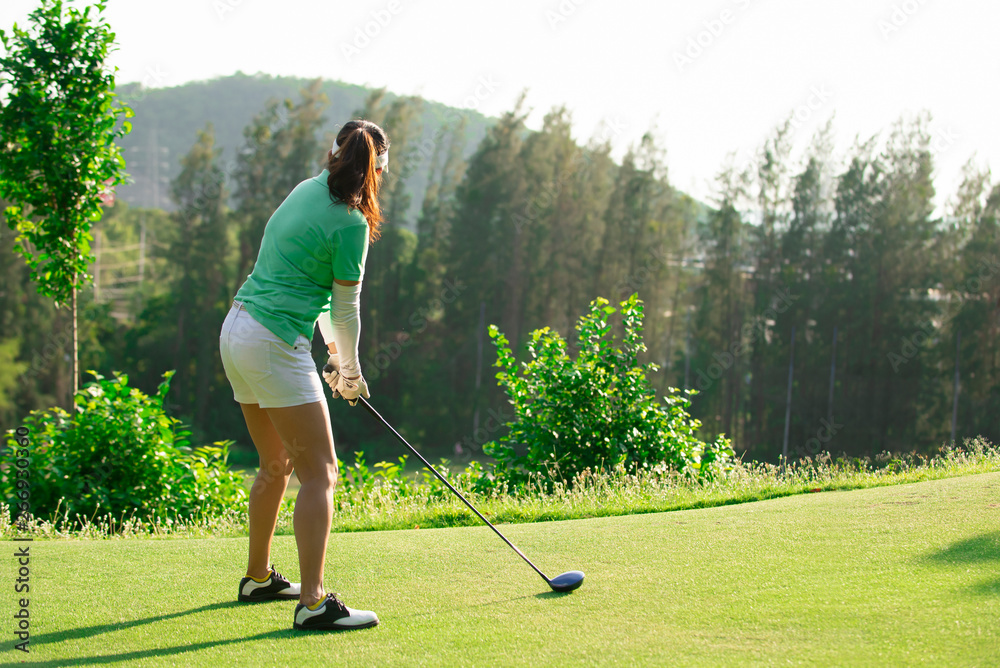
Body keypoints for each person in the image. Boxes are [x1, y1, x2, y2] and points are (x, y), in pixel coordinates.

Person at [219, 119, 388, 631]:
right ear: (378, 169)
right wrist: (352, 370)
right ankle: (313, 603)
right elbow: (346, 305)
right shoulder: (352, 222)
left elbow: (321, 301)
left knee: (276, 462)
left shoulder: (306, 189)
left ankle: (258, 577)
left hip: (238, 330)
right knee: (322, 473)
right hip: (272, 343)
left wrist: (337, 357)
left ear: (333, 154)